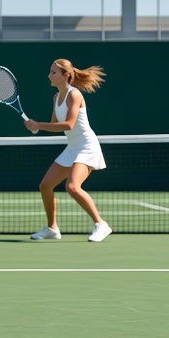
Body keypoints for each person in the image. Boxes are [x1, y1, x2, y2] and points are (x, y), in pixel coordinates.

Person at [24, 59, 111, 242]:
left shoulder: (75, 95)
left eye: (53, 72)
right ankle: (52, 228)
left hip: (87, 146)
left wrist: (38, 124)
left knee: (72, 186)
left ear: (65, 76)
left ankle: (101, 224)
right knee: (45, 185)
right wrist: (35, 127)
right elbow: (56, 125)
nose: (49, 75)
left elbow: (69, 125)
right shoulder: (56, 98)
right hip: (73, 147)